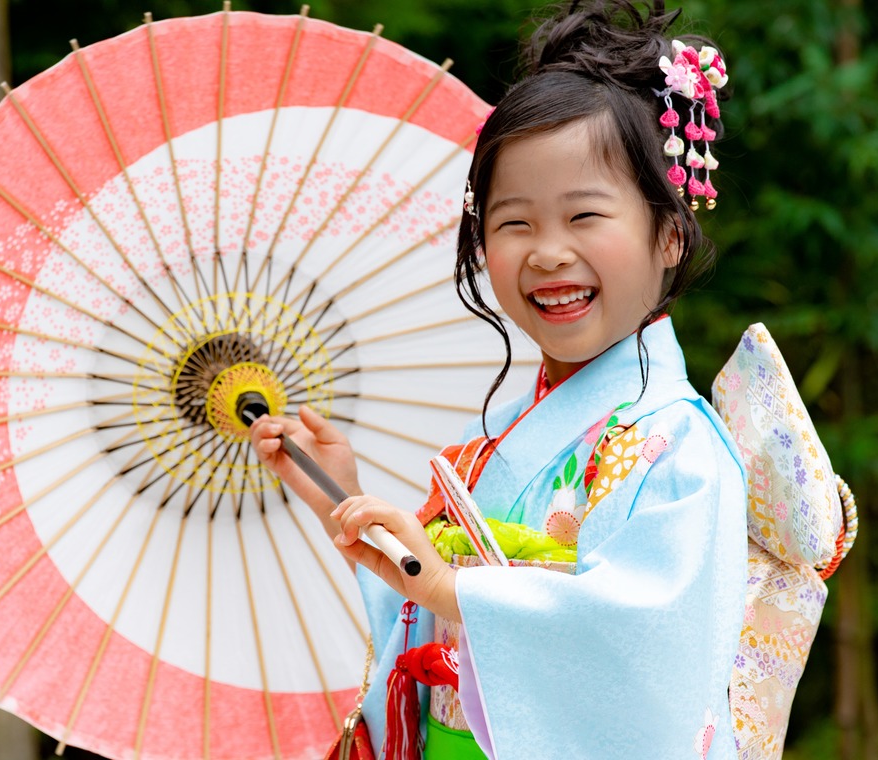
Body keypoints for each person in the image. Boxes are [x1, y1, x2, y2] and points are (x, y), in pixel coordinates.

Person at [251, 1, 746, 757]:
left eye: (584, 217)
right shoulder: (487, 441)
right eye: (515, 222)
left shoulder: (677, 450)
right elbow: (421, 633)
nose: (547, 253)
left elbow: (644, 648)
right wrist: (338, 490)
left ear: (669, 234)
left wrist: (456, 592)